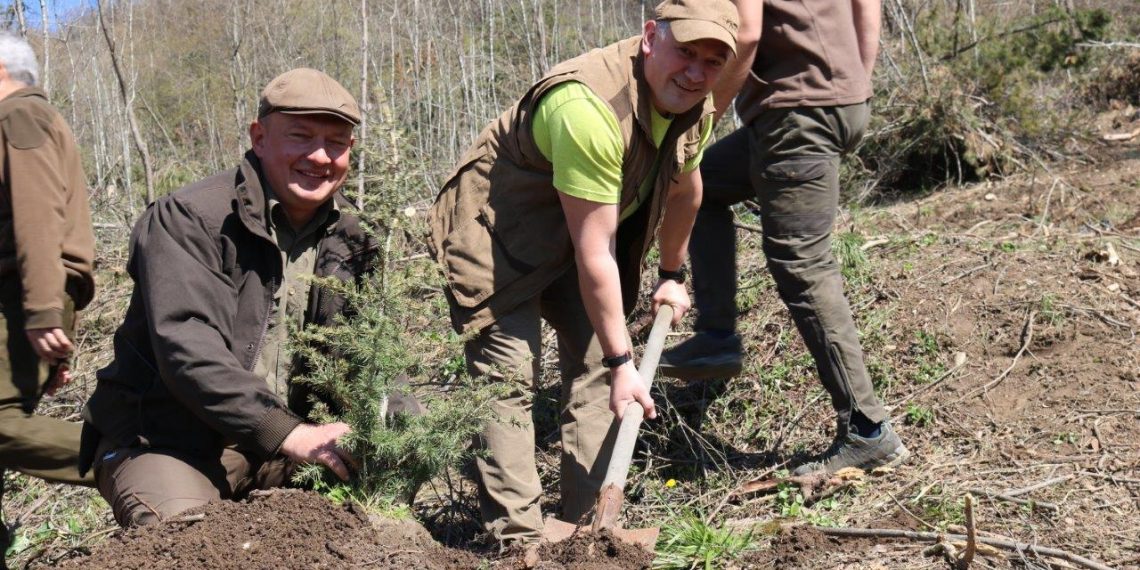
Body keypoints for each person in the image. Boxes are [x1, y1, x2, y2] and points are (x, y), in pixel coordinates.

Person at [428, 0, 740, 545]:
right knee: (507, 380)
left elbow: (686, 189)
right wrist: (626, 360)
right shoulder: (587, 107)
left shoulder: (696, 104)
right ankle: (519, 542)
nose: (695, 73)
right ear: (650, 37)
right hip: (501, 233)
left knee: (598, 369)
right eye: (685, 52)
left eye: (712, 62)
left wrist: (672, 273)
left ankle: (588, 534)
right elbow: (595, 249)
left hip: (580, 232)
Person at [79, 68, 381, 527]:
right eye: (300, 137)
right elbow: (188, 349)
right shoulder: (190, 219)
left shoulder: (356, 240)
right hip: (170, 441)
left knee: (382, 537)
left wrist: (398, 425)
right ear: (259, 137)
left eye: (336, 143)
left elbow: (377, 360)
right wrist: (287, 432)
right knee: (188, 542)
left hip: (292, 447)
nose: (320, 156)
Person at [658, 0, 910, 475]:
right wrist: (855, 79)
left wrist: (702, 117)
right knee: (701, 187)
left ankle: (867, 429)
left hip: (797, 111)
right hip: (832, 99)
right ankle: (715, 338)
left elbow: (749, 32)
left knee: (801, 263)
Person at [0, 30, 96, 563]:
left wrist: (39, 311)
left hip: (18, 299)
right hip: (26, 301)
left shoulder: (18, 116)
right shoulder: (29, 119)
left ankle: (123, 457)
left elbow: (38, 222)